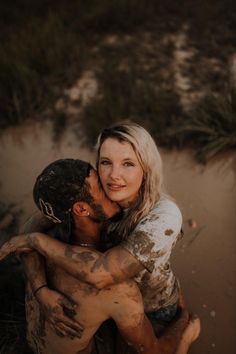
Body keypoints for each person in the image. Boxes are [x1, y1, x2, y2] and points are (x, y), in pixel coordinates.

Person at [0, 123, 201, 353]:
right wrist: (41, 290)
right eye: (105, 162)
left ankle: (185, 338)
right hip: (114, 304)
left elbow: (101, 274)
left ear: (146, 168)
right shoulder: (98, 192)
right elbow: (34, 224)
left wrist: (36, 241)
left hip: (152, 303)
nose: (114, 175)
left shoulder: (164, 216)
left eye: (128, 164)